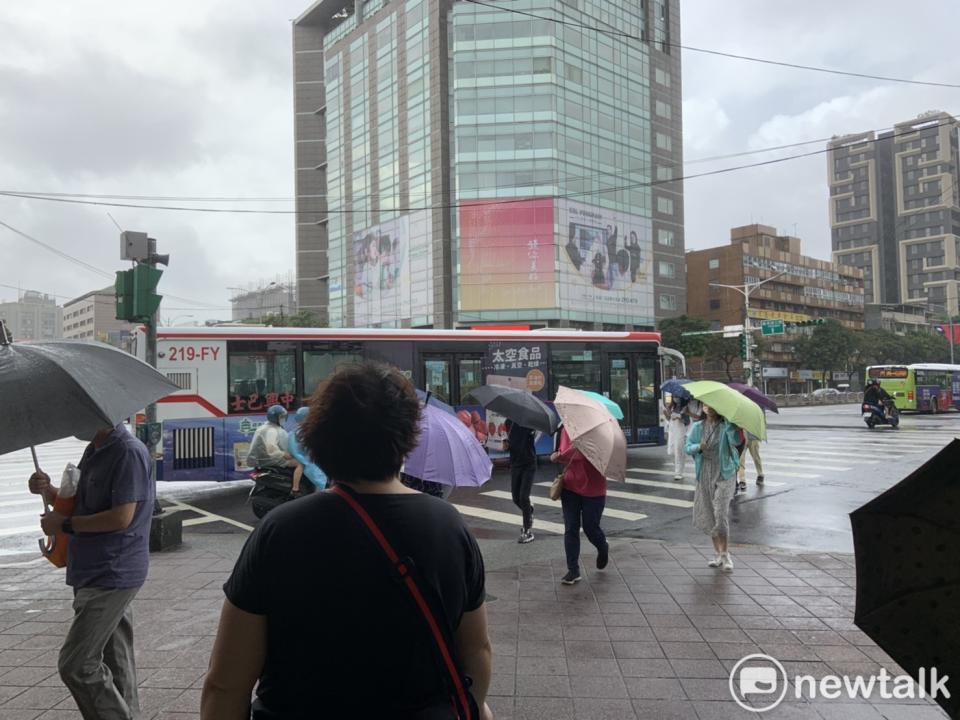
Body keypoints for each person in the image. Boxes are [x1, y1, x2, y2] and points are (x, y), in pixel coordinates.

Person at [202, 362, 493, 720]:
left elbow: (226, 684)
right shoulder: (448, 526)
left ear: (317, 439)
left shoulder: (281, 530)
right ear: (406, 440)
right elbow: (476, 651)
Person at [28, 423, 154, 720]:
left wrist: (66, 526)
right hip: (91, 567)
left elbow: (121, 517)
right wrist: (49, 490)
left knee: (77, 663)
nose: (75, 420)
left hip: (112, 571)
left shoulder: (127, 452)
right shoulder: (95, 450)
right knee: (116, 657)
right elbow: (81, 504)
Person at [685, 404, 742, 573]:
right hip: (704, 473)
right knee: (710, 513)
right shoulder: (697, 427)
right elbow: (687, 447)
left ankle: (726, 554)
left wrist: (735, 427)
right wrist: (698, 447)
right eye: (705, 405)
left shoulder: (726, 426)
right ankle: (717, 553)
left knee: (720, 512)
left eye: (712, 405)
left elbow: (736, 442)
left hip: (724, 472)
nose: (708, 407)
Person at [550, 427, 609, 586]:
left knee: (591, 528)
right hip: (570, 486)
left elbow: (585, 455)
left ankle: (603, 547)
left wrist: (562, 455)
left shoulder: (598, 432)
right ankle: (573, 570)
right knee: (571, 528)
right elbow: (564, 452)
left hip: (594, 487)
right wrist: (557, 456)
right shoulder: (564, 430)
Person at [504, 419, 536, 544]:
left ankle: (527, 531)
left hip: (529, 464)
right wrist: (506, 446)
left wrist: (532, 431)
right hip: (515, 464)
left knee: (523, 497)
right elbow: (509, 443)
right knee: (515, 498)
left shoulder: (529, 423)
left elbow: (532, 438)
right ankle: (529, 510)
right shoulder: (508, 423)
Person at [246, 404, 295, 476]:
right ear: (275, 418)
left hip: (262, 460)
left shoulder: (264, 427)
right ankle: (296, 487)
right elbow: (271, 448)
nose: (284, 419)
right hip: (270, 460)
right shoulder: (272, 430)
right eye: (282, 417)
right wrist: (284, 454)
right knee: (300, 464)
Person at [287, 406, 327, 494]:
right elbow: (302, 448)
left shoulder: (301, 430)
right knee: (321, 479)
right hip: (305, 459)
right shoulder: (299, 431)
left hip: (307, 457)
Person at [663, 394, 691, 481]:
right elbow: (669, 419)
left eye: (677, 396)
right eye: (674, 396)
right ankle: (678, 469)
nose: (675, 398)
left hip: (681, 430)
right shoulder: (673, 407)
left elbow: (687, 421)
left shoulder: (686, 407)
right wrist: (666, 411)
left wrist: (680, 417)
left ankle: (678, 472)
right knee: (672, 451)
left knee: (679, 450)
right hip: (672, 430)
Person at [736, 427, 764, 491]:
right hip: (742, 438)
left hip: (753, 438)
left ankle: (760, 474)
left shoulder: (755, 416)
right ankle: (742, 480)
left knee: (756, 457)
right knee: (740, 459)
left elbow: (759, 425)